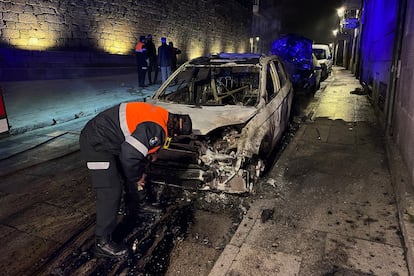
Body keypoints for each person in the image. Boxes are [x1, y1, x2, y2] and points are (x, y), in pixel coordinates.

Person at [79, 102, 192, 258]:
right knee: (111, 190)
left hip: (110, 137)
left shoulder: (163, 115)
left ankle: (139, 204)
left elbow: (139, 139)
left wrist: (152, 150)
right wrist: (138, 178)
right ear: (176, 131)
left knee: (137, 165)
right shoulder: (157, 128)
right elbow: (129, 156)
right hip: (96, 143)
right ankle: (101, 242)